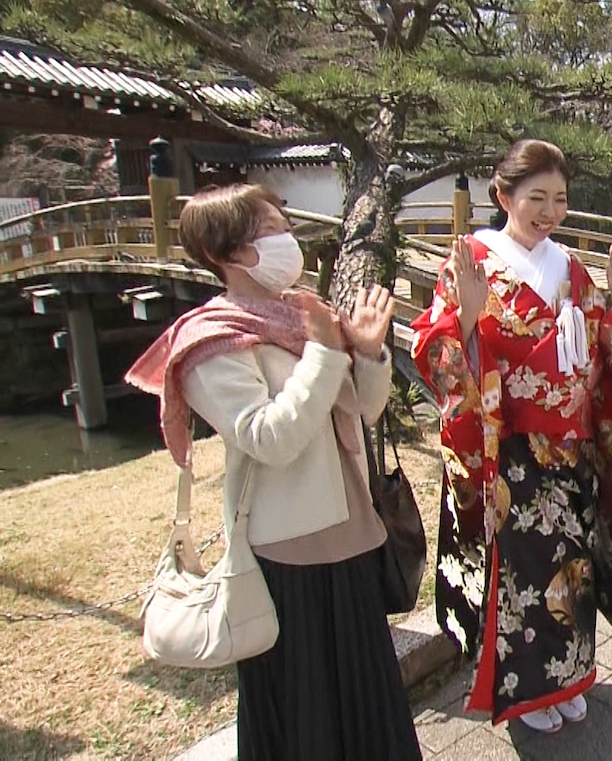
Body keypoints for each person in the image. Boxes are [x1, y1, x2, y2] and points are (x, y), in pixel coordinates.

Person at [124, 184, 420, 760]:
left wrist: (367, 353)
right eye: (269, 228)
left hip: (350, 528)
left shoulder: (298, 314)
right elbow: (270, 437)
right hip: (289, 552)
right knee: (306, 709)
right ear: (229, 252)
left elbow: (363, 408)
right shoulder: (211, 342)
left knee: (366, 701)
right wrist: (326, 353)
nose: (287, 238)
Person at [409, 139, 612, 733]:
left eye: (559, 199)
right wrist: (464, 316)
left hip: (573, 452)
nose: (549, 211)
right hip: (511, 456)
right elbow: (436, 352)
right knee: (527, 576)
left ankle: (571, 677)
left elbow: (609, 355)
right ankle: (528, 694)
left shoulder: (571, 268)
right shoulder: (473, 259)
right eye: (536, 197)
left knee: (575, 570)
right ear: (502, 194)